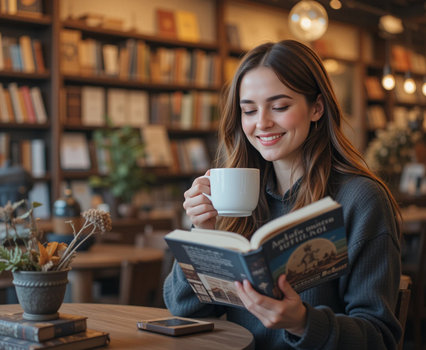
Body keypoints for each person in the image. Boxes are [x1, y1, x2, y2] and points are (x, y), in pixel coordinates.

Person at [163, 40, 402, 349]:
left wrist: (303, 322)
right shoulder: (235, 199)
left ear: (316, 107)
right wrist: (203, 233)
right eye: (248, 110)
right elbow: (184, 311)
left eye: (279, 107)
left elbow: (380, 338)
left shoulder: (361, 199)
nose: (261, 123)